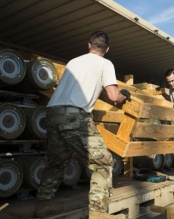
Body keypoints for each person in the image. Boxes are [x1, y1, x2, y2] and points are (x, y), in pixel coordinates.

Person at [34, 31, 129, 219]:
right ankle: (98, 213)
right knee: (103, 162)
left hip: (52, 112)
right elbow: (112, 95)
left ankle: (43, 205)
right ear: (107, 49)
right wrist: (124, 94)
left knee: (57, 161)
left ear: (89, 45)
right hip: (74, 115)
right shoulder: (105, 63)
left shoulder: (74, 62)